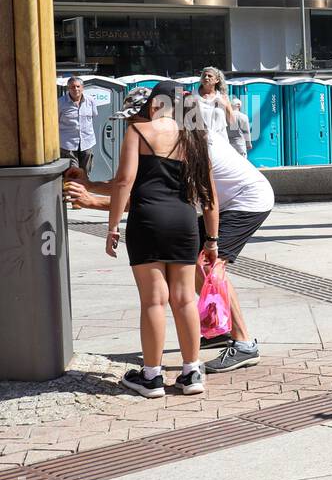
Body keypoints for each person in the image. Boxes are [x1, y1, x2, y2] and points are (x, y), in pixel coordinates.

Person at [66, 94, 275, 373]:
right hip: (223, 203)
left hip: (246, 201)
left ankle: (243, 342)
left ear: (153, 111)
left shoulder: (186, 142)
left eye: (134, 117)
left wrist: (92, 199)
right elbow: (131, 185)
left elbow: (146, 196)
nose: (131, 123)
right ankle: (217, 327)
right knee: (195, 268)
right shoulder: (175, 136)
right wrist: (90, 184)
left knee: (207, 266)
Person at [106, 82, 219, 398]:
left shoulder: (139, 131)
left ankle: (152, 377)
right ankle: (191, 371)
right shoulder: (195, 138)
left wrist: (113, 226)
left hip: (148, 220)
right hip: (184, 222)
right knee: (184, 299)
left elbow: (123, 181)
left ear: (156, 104)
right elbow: (209, 196)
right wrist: (212, 240)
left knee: (153, 300)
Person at [57, 77, 98, 177]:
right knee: (73, 172)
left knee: (85, 172)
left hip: (87, 142)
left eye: (78, 86)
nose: (75, 89)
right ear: (68, 89)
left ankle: (84, 189)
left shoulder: (90, 101)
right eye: (72, 87)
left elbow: (94, 115)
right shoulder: (60, 102)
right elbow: (55, 120)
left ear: (82, 88)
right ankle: (72, 191)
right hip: (68, 144)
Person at [196, 67, 236, 151]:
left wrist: (226, 105)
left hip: (220, 142)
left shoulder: (223, 97)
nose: (206, 78)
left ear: (217, 80)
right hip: (199, 142)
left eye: (209, 76)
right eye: (204, 75)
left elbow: (233, 122)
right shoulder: (193, 95)